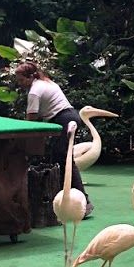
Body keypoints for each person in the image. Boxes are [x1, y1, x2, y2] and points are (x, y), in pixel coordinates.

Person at [14, 61, 93, 218]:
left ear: (29, 77)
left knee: (64, 159)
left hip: (63, 119)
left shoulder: (35, 91)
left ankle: (83, 202)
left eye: (21, 80)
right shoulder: (46, 82)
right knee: (60, 158)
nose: (20, 83)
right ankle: (63, 199)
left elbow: (31, 120)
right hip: (70, 116)